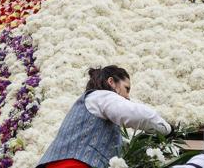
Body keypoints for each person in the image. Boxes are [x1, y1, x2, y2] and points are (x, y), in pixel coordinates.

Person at [37, 65, 171, 168]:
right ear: (111, 82)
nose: (127, 96)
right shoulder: (101, 96)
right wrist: (166, 129)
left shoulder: (92, 102)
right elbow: (138, 115)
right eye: (126, 88)